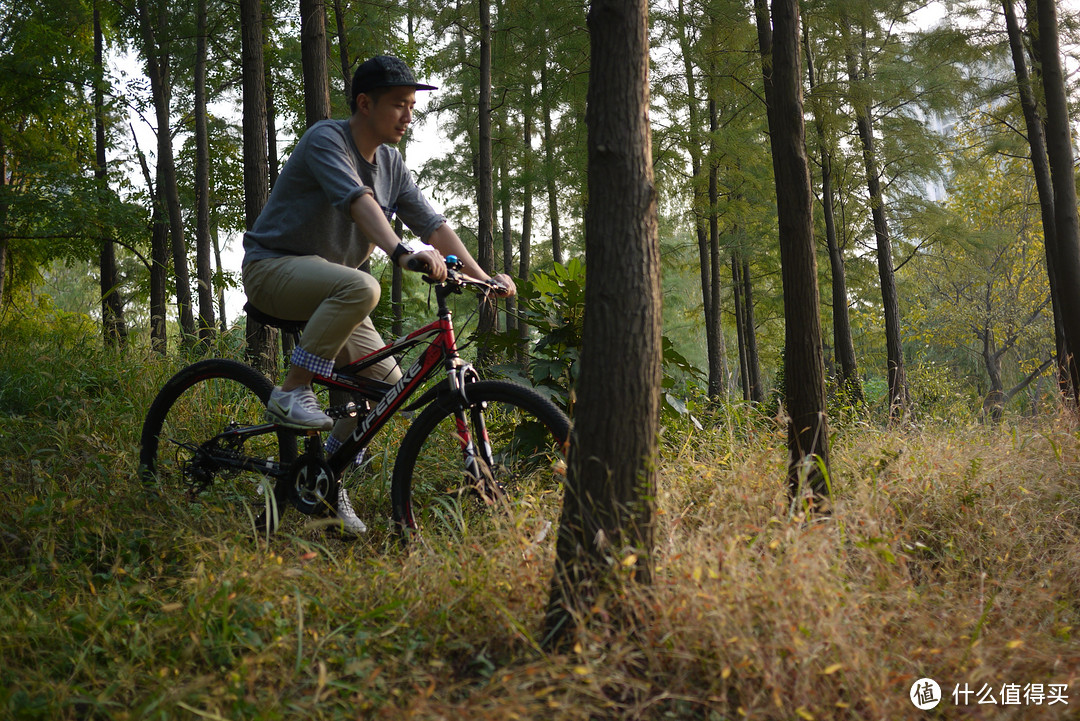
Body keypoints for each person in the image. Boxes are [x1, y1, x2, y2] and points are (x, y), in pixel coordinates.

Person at [242, 55, 515, 534]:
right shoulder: (327, 140)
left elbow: (432, 223)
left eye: (412, 106)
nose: (408, 116)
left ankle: (322, 482)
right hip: (274, 270)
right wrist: (400, 251)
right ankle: (291, 391)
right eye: (398, 105)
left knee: (387, 390)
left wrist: (482, 275)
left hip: (338, 289)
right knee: (362, 285)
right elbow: (358, 203)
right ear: (364, 104)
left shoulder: (391, 162)